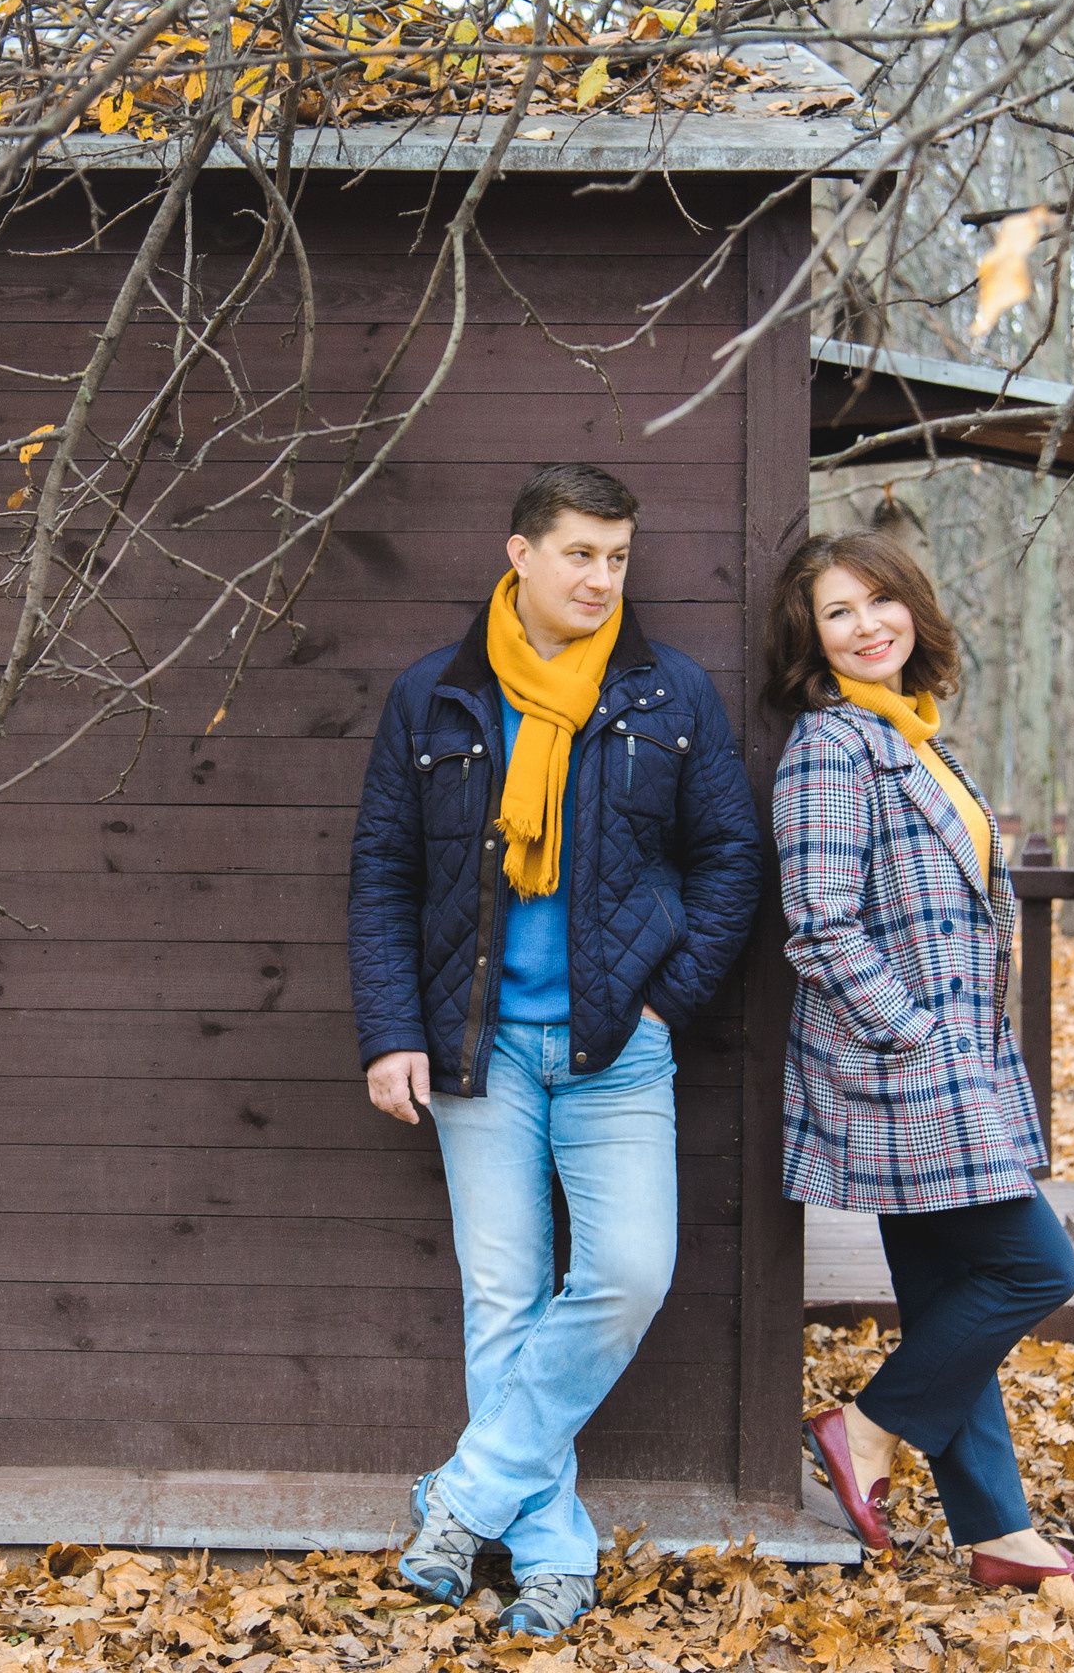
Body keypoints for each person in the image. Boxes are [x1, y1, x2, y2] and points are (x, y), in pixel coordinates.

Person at [347, 464, 761, 1634]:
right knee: (504, 1298)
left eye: (617, 557)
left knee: (628, 1273)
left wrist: (666, 1001)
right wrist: (391, 1032)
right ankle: (552, 1557)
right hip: (474, 1045)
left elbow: (730, 857)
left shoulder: (667, 694)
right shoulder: (436, 695)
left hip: (615, 1046)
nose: (601, 578)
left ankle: (462, 1498)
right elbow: (383, 872)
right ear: (519, 554)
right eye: (579, 553)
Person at [767, 530, 1074, 1593]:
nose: (865, 625)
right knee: (1035, 1268)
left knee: (947, 1299)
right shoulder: (832, 746)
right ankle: (862, 1429)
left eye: (879, 601)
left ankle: (1000, 1537)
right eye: (837, 613)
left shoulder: (917, 737)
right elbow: (819, 924)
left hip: (951, 1059)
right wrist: (916, 1035)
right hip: (904, 1070)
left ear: (913, 609)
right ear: (812, 638)